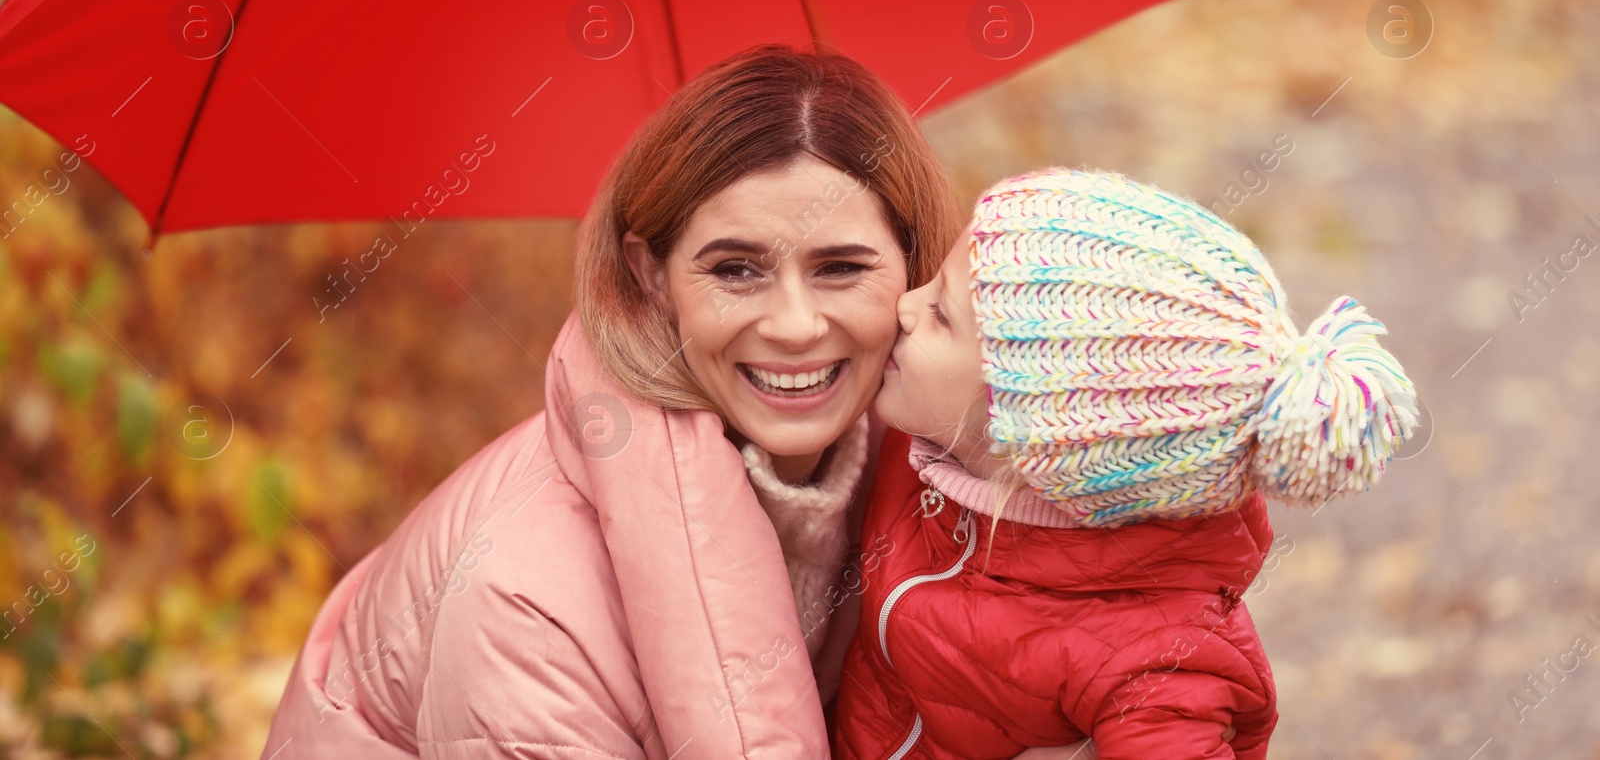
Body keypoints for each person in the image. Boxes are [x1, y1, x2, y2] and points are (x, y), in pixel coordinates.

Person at [260, 44, 965, 759]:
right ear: (649, 275)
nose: (793, 324)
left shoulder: (941, 489)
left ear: (914, 263)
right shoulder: (527, 605)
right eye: (736, 268)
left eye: (840, 267)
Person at [832, 166, 1421, 759]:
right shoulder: (925, 457)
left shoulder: (1159, 665)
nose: (905, 305)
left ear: (1033, 417)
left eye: (941, 315)